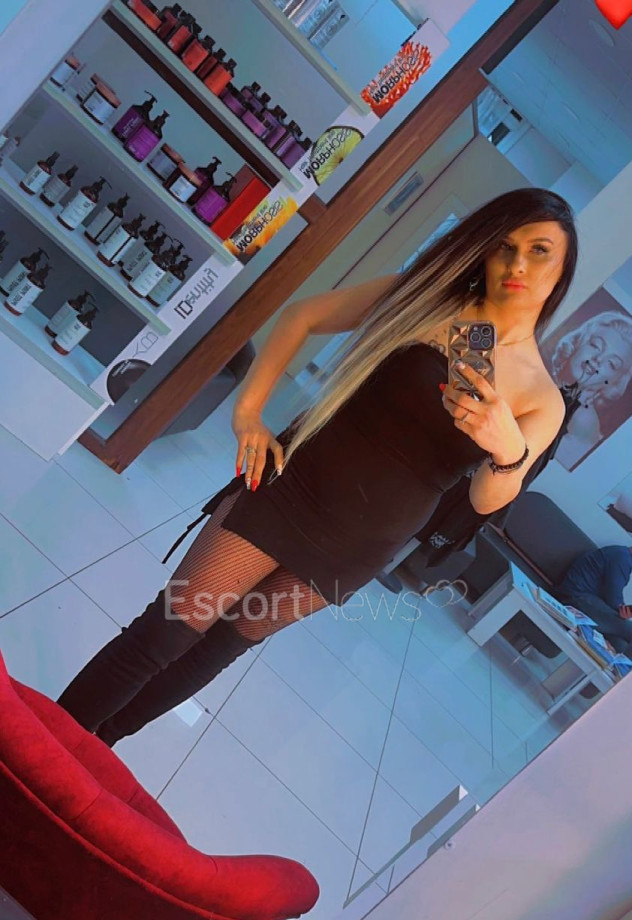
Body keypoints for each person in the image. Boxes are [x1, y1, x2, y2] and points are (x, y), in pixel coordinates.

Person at [57, 187, 578, 745]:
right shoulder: (423, 299)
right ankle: (35, 743)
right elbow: (302, 316)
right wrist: (248, 412)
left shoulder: (542, 398)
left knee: (217, 649)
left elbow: (483, 499)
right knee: (168, 631)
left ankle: (90, 751)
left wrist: (507, 448)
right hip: (294, 484)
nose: (517, 264)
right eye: (505, 246)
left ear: (563, 268)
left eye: (539, 251)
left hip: (361, 542)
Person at [551, 310, 632, 469]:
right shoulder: (542, 378)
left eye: (612, 364)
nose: (598, 360)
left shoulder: (582, 422)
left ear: (616, 382)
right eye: (596, 345)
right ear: (578, 342)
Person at [557, 544, 632, 654]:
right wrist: (621, 611)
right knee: (629, 629)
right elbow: (613, 597)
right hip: (575, 598)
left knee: (621, 646)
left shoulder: (621, 555)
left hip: (589, 602)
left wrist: (621, 612)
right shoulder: (621, 558)